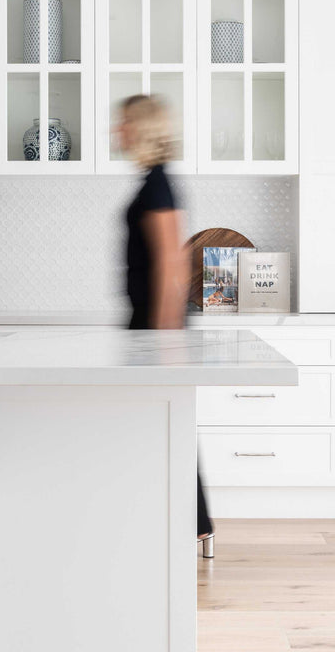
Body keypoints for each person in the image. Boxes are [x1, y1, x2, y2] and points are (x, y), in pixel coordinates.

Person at [117, 94, 214, 553]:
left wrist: (164, 339)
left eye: (124, 123)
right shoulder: (153, 182)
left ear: (143, 128)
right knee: (160, 422)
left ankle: (192, 525)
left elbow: (172, 267)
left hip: (155, 328)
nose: (117, 131)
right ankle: (184, 522)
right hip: (148, 325)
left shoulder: (157, 185)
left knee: (166, 423)